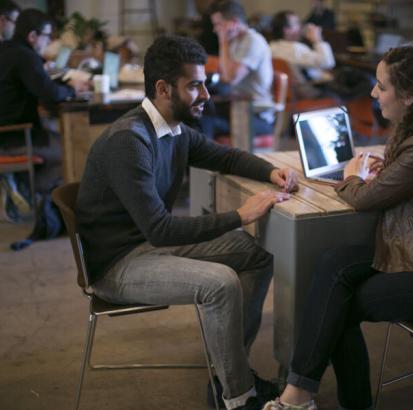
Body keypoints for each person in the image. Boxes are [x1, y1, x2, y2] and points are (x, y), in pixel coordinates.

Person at [264, 44, 413, 410]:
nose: (373, 93)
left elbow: (363, 200)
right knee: (334, 264)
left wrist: (350, 177)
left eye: (382, 86)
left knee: (339, 302)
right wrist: (388, 172)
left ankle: (305, 398)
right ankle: (302, 395)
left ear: (409, 96)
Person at [76, 35, 298, 410]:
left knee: (258, 253)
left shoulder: (172, 129)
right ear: (163, 89)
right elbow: (160, 230)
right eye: (194, 85)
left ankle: (230, 372)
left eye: (204, 83)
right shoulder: (130, 141)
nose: (206, 94)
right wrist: (240, 216)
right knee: (220, 284)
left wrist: (271, 171)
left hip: (148, 246)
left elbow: (224, 158)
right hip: (118, 263)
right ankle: (238, 398)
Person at [0, 8, 88, 225]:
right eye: (47, 36)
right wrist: (73, 90)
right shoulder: (25, 57)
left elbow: (42, 85)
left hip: (8, 132)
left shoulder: (9, 50)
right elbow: (48, 92)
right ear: (32, 36)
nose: (49, 42)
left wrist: (65, 86)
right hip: (15, 136)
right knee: (70, 150)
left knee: (59, 140)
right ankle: (23, 186)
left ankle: (20, 185)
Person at [201, 0, 274, 139]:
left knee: (204, 120)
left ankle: (204, 159)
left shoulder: (253, 41)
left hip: (256, 115)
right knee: (195, 111)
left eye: (218, 24)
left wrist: (223, 42)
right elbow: (224, 75)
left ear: (233, 22)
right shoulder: (236, 41)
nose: (215, 29)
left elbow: (230, 78)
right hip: (238, 107)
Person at [270, 10, 335, 99]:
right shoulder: (295, 49)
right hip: (308, 96)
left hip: (285, 96)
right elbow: (328, 62)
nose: (301, 27)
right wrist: (317, 39)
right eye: (297, 23)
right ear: (286, 30)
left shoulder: (271, 47)